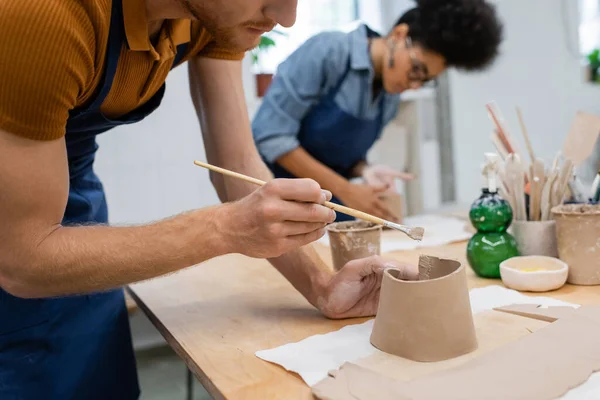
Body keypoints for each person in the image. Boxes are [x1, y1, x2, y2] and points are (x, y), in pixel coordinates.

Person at [0, 0, 418, 398]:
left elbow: (235, 159)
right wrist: (225, 227)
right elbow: (24, 259)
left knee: (97, 375)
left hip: (70, 190)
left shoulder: (213, 15)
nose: (286, 18)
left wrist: (323, 286)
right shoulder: (46, 14)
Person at [252, 0, 503, 222]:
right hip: (274, 198)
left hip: (322, 205)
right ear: (398, 35)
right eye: (417, 69)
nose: (414, 85)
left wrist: (364, 170)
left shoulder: (390, 97)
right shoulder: (328, 52)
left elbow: (338, 157)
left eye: (425, 81)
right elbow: (271, 136)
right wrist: (347, 190)